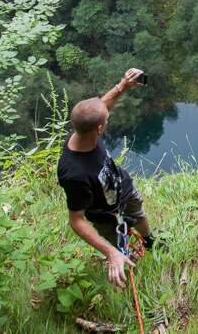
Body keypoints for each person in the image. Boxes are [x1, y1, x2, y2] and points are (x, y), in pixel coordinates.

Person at [57, 68, 157, 288]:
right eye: (107, 119)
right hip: (104, 214)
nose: (108, 115)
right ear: (100, 129)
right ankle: (125, 259)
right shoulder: (74, 174)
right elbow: (76, 221)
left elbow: (101, 107)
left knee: (138, 213)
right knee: (119, 245)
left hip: (123, 188)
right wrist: (109, 252)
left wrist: (123, 85)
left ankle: (149, 240)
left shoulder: (85, 129)